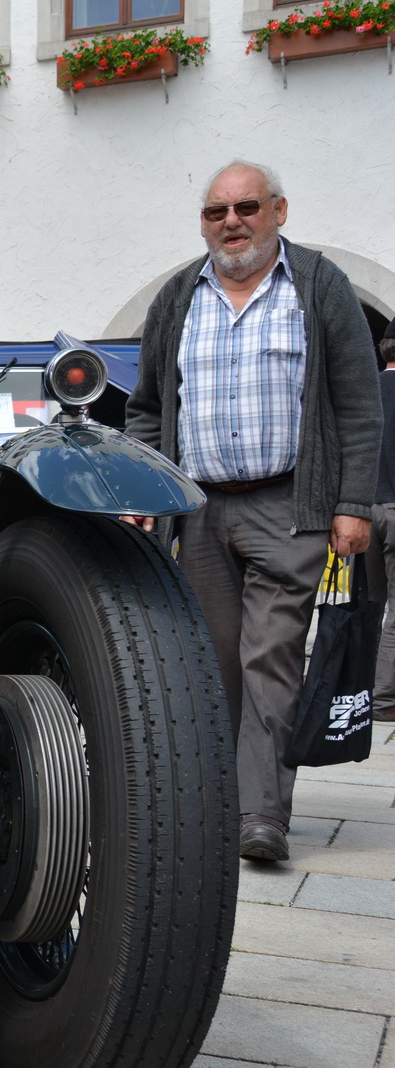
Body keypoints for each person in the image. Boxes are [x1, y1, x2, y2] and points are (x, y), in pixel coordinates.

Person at [124, 160, 381, 862]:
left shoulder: (319, 286)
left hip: (289, 506)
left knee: (270, 653)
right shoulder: (180, 296)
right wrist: (142, 491)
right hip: (201, 510)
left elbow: (359, 407)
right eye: (216, 212)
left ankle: (261, 815)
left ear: (279, 210)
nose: (231, 222)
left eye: (246, 207)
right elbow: (146, 407)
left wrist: (352, 503)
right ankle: (222, 802)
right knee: (215, 664)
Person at [369, 318, 395, 722]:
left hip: (361, 511)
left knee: (370, 606)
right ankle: (385, 700)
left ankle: (357, 690)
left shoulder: (364, 389)